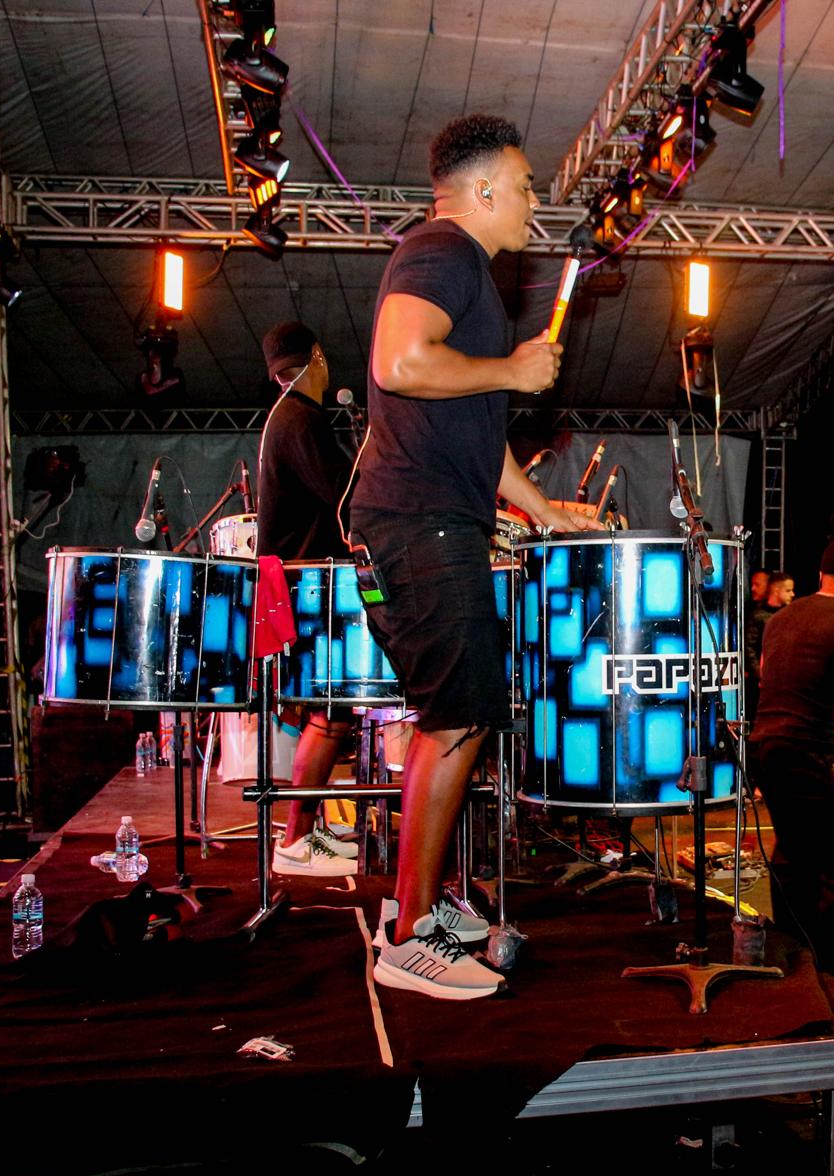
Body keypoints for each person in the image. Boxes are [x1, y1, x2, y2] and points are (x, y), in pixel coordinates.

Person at [355, 113, 601, 1000]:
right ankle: (409, 937)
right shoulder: (443, 251)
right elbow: (399, 364)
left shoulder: (464, 273)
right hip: (418, 518)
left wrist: (543, 509)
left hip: (433, 514)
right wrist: (511, 371)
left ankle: (419, 906)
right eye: (527, 187)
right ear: (485, 187)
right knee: (455, 719)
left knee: (461, 715)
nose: (534, 203)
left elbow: (471, 430)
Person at [748, 538, 834, 988]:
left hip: (766, 750)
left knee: (794, 854)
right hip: (810, 756)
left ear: (821, 576)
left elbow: (782, 689)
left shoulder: (781, 619)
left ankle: (795, 970)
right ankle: (833, 983)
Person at [256, 321, 359, 877]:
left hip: (302, 584)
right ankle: (296, 839)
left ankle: (304, 828)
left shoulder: (286, 417)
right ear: (318, 356)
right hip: (311, 586)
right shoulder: (302, 419)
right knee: (330, 712)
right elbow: (347, 497)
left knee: (330, 712)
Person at [745, 571, 794, 722]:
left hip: (785, 679)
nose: (792, 594)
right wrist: (760, 674)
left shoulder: (790, 614)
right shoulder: (758, 615)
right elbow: (749, 648)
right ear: (776, 590)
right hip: (764, 680)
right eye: (788, 590)